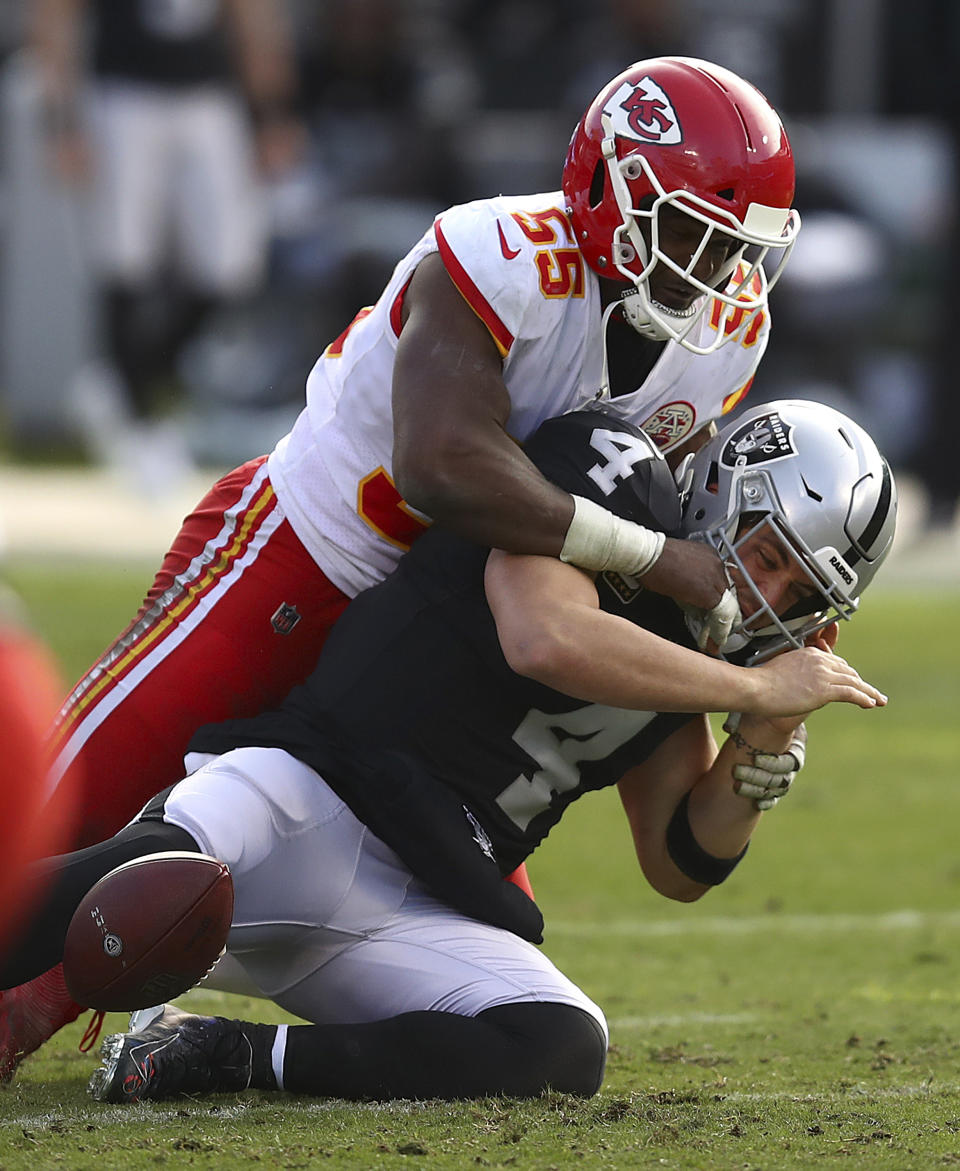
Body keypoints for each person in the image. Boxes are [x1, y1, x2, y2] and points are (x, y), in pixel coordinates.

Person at [0, 55, 800, 1079]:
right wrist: (657, 560)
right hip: (297, 560)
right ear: (610, 187)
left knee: (456, 943)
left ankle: (162, 1043)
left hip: (432, 644)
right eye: (695, 230)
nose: (716, 268)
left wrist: (762, 642)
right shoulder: (503, 253)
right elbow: (444, 465)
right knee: (58, 811)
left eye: (739, 246)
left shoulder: (728, 335)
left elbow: (665, 508)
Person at [2, 399, 897, 1102]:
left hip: (417, 900)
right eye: (770, 551)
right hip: (307, 788)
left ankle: (223, 1054)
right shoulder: (617, 473)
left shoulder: (710, 660)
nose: (770, 591)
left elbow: (679, 859)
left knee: (560, 1041)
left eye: (802, 590)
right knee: (149, 874)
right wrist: (751, 690)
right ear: (723, 490)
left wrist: (764, 743)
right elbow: (543, 634)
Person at [30, 0, 304, 492]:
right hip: (123, 90)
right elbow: (56, 15)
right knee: (122, 258)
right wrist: (61, 118)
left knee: (231, 264)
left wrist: (270, 113)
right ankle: (140, 420)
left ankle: (127, 382)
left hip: (208, 95)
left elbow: (253, 17)